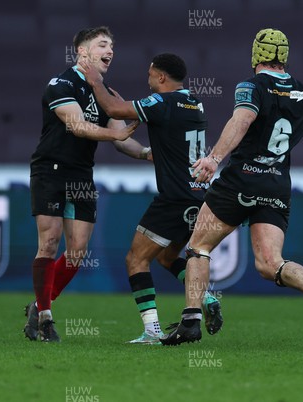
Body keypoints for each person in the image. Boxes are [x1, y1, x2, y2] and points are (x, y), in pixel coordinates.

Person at [160, 28, 303, 345]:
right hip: (276, 185)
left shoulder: (251, 86)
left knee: (198, 248)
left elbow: (241, 120)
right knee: (270, 263)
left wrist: (214, 158)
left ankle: (191, 323)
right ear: (284, 56)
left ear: (256, 55)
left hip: (241, 180)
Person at [78, 53, 223, 344]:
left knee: (136, 260)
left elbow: (114, 109)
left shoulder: (162, 102)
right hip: (198, 196)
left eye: (150, 74)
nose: (147, 79)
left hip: (174, 198)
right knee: (169, 258)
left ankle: (152, 331)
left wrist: (95, 82)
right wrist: (147, 151)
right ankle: (205, 298)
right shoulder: (194, 101)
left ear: (161, 77)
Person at [24, 26, 148, 342]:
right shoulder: (61, 83)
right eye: (102, 45)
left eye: (112, 47)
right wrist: (115, 134)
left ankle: (37, 306)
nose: (110, 51)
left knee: (77, 251)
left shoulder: (103, 92)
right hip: (50, 170)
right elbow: (77, 125)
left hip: (81, 175)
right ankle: (46, 318)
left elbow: (123, 140)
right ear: (82, 51)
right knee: (49, 242)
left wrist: (149, 154)